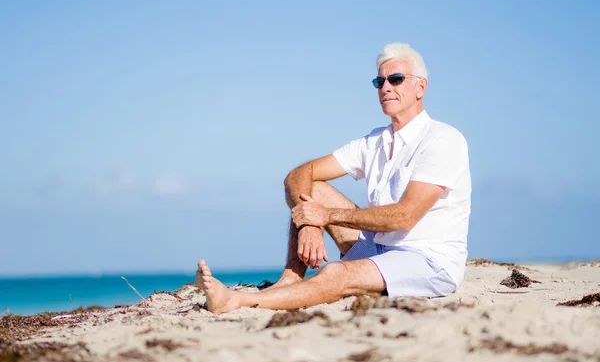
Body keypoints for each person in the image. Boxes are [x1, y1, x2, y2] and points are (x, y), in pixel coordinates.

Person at [196, 43, 471, 313]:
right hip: (380, 248)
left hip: (428, 260)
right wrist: (309, 225)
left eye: (396, 79)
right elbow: (299, 175)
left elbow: (405, 216)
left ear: (420, 87)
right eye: (380, 81)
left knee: (336, 273)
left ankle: (236, 300)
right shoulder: (376, 140)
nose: (386, 87)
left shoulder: (442, 140)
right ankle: (291, 279)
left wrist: (324, 216)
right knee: (310, 189)